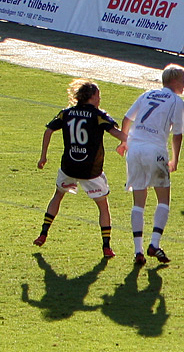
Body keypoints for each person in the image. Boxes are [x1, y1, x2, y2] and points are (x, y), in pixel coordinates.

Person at [34, 79, 126, 259]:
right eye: (98, 95)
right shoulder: (98, 115)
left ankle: (43, 233)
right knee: (103, 206)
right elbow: (117, 133)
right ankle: (106, 246)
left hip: (69, 166)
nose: (100, 99)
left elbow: (48, 131)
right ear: (91, 97)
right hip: (91, 170)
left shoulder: (66, 113)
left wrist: (43, 156)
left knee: (58, 195)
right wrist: (133, 139)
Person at [116, 64, 184, 265]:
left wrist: (124, 142)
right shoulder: (177, 101)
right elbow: (178, 134)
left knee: (138, 200)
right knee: (163, 198)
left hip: (134, 149)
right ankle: (154, 244)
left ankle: (137, 250)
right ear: (174, 81)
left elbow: (126, 118)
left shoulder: (147, 94)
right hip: (154, 150)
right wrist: (175, 159)